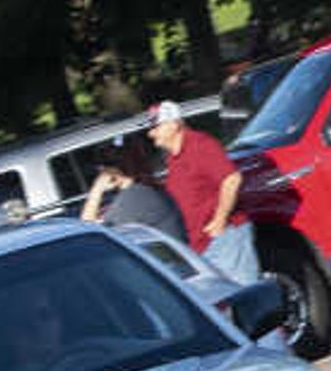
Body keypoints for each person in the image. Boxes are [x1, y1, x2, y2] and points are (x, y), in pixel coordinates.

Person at [142, 102, 236, 260]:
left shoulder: (200, 145)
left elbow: (231, 179)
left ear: (174, 124)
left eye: (156, 127)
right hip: (200, 246)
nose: (151, 133)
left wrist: (220, 219)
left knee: (242, 285)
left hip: (223, 240)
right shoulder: (173, 157)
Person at [77, 139, 190, 242]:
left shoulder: (133, 197)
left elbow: (87, 230)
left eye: (100, 168)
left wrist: (97, 188)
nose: (99, 173)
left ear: (110, 171)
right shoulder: (142, 190)